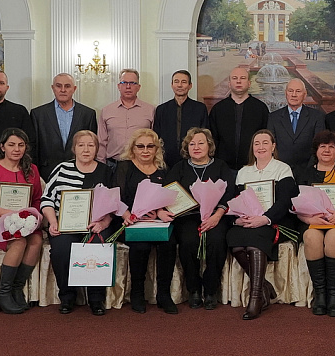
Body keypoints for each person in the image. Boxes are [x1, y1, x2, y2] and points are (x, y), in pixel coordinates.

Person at [228, 130, 299, 320]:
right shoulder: (244, 172)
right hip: (248, 220)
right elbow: (236, 199)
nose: (261, 147)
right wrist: (238, 219)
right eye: (256, 143)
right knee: (234, 239)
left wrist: (265, 218)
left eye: (265, 143)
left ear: (273, 146)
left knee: (254, 242)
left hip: (275, 221)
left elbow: (284, 201)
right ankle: (265, 286)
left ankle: (256, 299)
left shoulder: (282, 169)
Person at [41, 130, 112, 316]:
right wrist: (53, 222)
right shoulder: (62, 169)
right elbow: (47, 199)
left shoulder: (105, 171)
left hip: (95, 225)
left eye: (91, 145)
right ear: (74, 148)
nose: (86, 149)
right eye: (81, 145)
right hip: (65, 225)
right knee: (61, 250)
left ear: (97, 148)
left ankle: (96, 299)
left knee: (97, 247)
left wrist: (104, 223)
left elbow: (114, 205)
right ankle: (67, 297)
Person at [165, 128, 237, 311]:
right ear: (186, 147)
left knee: (217, 240)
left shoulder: (220, 166)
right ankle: (194, 289)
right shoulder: (179, 167)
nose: (196, 147)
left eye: (201, 143)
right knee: (188, 241)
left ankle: (211, 290)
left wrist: (217, 215)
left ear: (209, 146)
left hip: (216, 215)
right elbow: (168, 192)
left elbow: (230, 192)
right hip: (188, 216)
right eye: (192, 144)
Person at [0, 128, 44, 314]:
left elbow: (37, 199)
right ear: (2, 147)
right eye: (11, 145)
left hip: (25, 222)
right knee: (18, 242)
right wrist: (9, 213)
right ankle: (2, 293)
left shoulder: (32, 170)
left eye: (21, 145)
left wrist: (32, 216)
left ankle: (16, 289)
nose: (16, 149)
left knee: (36, 241)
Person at [294, 130, 335, 317]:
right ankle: (320, 295)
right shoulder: (305, 173)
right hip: (313, 222)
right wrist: (308, 219)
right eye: (322, 146)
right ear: (316, 150)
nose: (326, 150)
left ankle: (333, 296)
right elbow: (297, 207)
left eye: (331, 147)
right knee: (311, 237)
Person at [112, 129, 177, 314]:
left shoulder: (163, 169)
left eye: (150, 146)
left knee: (169, 244)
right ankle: (137, 293)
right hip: (129, 221)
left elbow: (169, 196)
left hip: (156, 222)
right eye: (140, 146)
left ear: (156, 149)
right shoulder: (124, 167)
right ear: (133, 148)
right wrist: (128, 215)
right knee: (140, 246)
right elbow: (115, 197)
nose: (145, 150)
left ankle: (164, 294)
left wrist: (160, 212)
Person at [30, 73, 98, 179]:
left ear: (74, 89)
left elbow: (93, 147)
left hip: (80, 172)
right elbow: (33, 147)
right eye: (58, 86)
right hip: (46, 172)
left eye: (67, 86)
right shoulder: (38, 114)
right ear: (53, 88)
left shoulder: (88, 114)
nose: (63, 90)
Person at [208, 67, 269, 170]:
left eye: (242, 78)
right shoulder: (218, 109)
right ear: (229, 84)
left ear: (249, 83)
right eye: (235, 78)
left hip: (253, 166)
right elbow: (212, 139)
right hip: (223, 167)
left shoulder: (260, 108)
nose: (238, 81)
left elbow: (266, 138)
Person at [98, 69, 155, 168]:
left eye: (132, 83)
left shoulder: (150, 110)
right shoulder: (107, 111)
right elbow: (101, 142)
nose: (128, 86)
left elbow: (155, 141)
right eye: (124, 83)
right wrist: (101, 167)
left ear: (138, 87)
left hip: (141, 165)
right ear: (118, 86)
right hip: (113, 165)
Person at [153, 70, 208, 169]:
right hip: (166, 160)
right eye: (176, 81)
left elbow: (204, 135)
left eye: (184, 82)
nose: (179, 85)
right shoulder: (161, 109)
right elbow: (156, 136)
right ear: (172, 85)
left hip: (192, 159)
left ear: (190, 85)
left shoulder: (200, 108)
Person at [267, 78, 325, 167]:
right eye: (290, 91)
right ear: (286, 93)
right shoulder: (273, 117)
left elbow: (319, 145)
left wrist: (310, 167)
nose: (294, 95)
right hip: (280, 169)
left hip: (308, 169)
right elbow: (271, 145)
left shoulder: (317, 116)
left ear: (305, 94)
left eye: (298, 91)